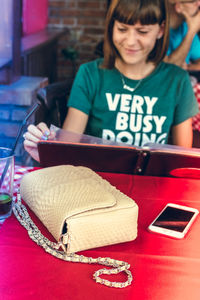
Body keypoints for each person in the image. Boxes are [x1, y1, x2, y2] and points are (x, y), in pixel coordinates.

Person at [24, 0, 198, 163]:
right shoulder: (90, 74)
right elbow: (68, 146)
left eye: (142, 32)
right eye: (122, 29)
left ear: (160, 30)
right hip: (96, 183)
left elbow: (181, 158)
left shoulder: (177, 80)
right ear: (111, 27)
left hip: (153, 185)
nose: (130, 41)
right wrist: (47, 150)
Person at [165, 0, 200, 70]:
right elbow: (168, 70)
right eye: (193, 1)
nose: (199, 4)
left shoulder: (185, 27)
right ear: (178, 7)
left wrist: (188, 67)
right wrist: (192, 31)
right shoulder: (157, 31)